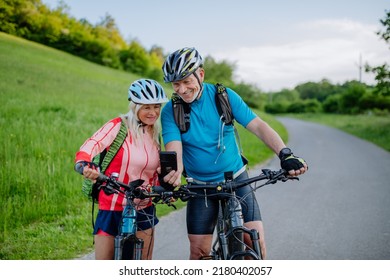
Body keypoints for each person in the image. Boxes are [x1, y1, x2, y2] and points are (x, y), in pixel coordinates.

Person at [160, 47, 308, 260]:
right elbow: (174, 149)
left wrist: (285, 154)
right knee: (199, 253)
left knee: (254, 241)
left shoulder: (224, 97)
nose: (182, 89)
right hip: (200, 186)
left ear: (200, 74)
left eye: (186, 81)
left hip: (237, 180)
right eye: (176, 84)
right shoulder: (170, 111)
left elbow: (258, 126)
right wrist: (174, 172)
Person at [74, 78, 169, 260]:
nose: (153, 112)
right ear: (135, 106)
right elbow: (91, 144)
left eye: (156, 106)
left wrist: (165, 188)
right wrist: (85, 164)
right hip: (112, 206)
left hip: (143, 207)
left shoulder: (155, 135)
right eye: (146, 107)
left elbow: (154, 172)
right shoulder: (119, 126)